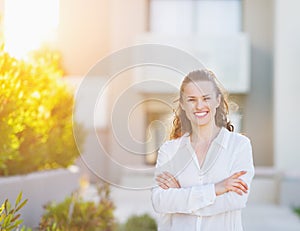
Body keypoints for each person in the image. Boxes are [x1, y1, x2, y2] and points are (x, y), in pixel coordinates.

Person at [151, 69, 255, 231]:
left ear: (217, 101)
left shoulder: (239, 146)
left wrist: (181, 197)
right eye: (192, 99)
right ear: (183, 104)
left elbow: (236, 200)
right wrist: (216, 189)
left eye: (206, 98)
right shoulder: (169, 150)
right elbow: (160, 201)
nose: (199, 106)